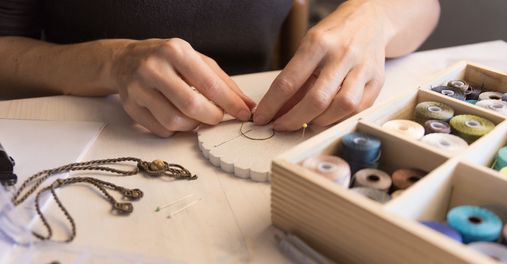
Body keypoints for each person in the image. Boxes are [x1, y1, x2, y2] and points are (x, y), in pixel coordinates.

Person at [0, 0, 440, 137]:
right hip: (95, 124)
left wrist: (374, 18)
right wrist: (111, 61)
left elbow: (424, 6)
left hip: (259, 131)